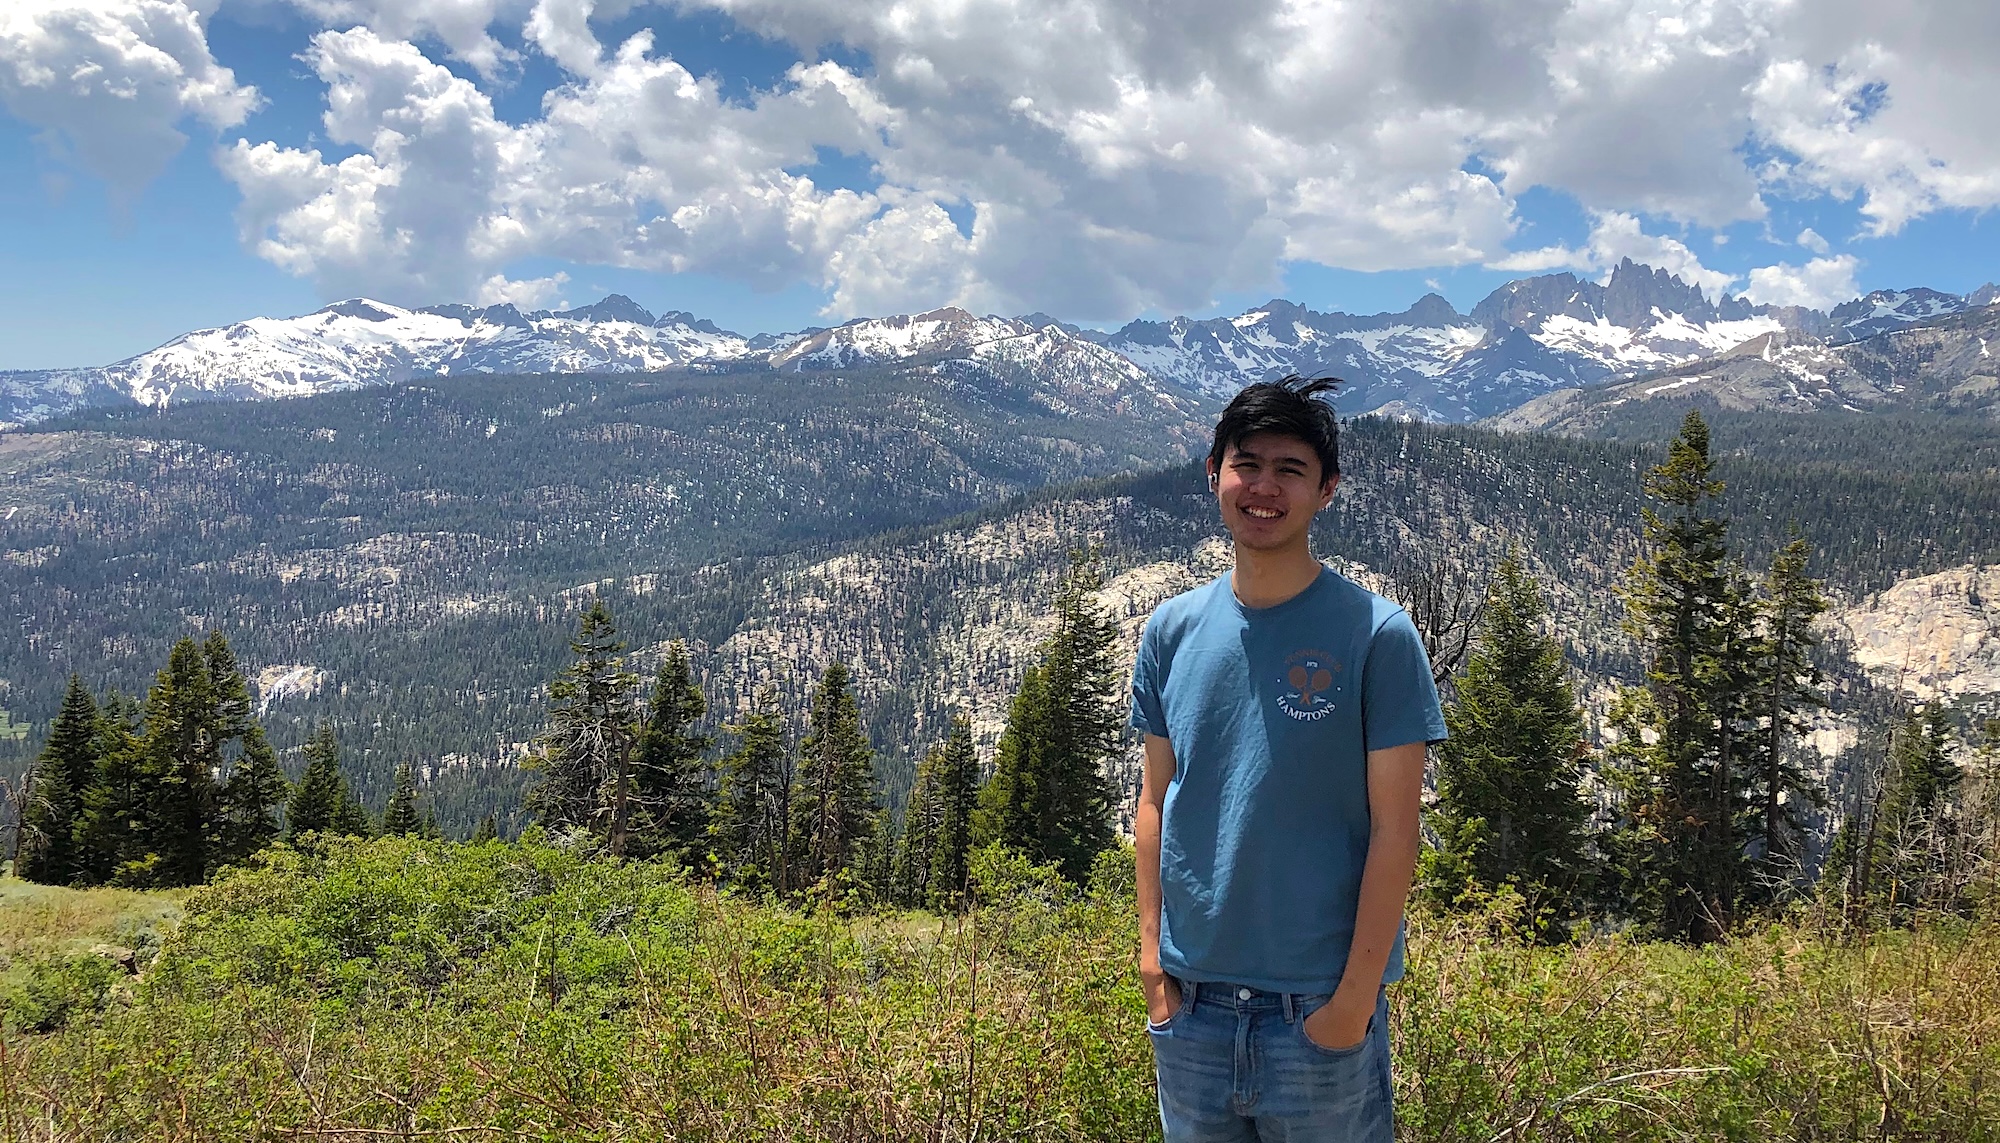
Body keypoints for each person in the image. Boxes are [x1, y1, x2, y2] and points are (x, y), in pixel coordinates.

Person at [1130, 375, 1445, 1141]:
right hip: (1193, 1005)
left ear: (1326, 489)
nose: (1264, 486)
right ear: (1214, 473)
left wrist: (1352, 1001)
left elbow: (1396, 830)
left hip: (1316, 1010)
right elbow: (1154, 800)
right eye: (1247, 463)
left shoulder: (1377, 635)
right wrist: (1151, 963)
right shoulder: (1170, 632)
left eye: (1290, 469)